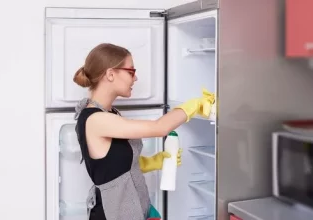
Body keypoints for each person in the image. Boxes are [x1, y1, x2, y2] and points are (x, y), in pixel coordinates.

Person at [73, 43, 215, 220]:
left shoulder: (109, 113)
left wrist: (152, 162)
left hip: (134, 209)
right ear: (110, 74)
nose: (136, 78)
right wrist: (192, 106)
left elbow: (113, 166)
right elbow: (159, 128)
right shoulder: (96, 119)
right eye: (131, 72)